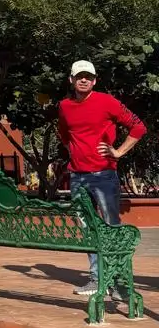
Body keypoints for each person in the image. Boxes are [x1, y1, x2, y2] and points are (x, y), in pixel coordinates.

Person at [57, 59, 146, 297]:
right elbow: (65, 135)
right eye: (79, 76)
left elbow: (138, 127)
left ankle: (118, 282)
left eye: (88, 76)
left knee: (111, 227)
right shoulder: (64, 106)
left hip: (104, 175)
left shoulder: (107, 102)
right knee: (87, 228)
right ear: (71, 80)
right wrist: (76, 153)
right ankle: (97, 278)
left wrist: (118, 152)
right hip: (77, 177)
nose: (83, 80)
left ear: (94, 80)